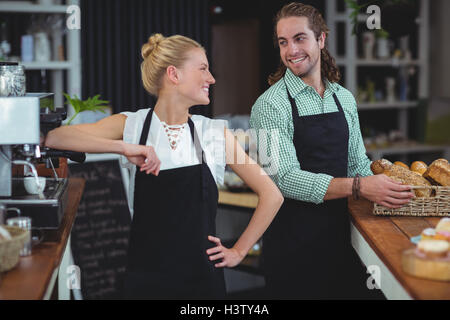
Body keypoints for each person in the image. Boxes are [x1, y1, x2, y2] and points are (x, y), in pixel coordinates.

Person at [45, 33, 283, 299]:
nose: (211, 78)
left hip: (201, 284)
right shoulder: (133, 126)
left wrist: (239, 250)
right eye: (203, 68)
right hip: (145, 281)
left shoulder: (213, 134)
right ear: (174, 74)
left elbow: (272, 194)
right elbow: (55, 137)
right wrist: (124, 147)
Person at [249, 3, 414, 299]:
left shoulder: (344, 98)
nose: (291, 50)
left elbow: (357, 162)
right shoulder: (270, 105)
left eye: (300, 38)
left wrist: (385, 190)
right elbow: (284, 179)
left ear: (321, 39)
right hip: (294, 245)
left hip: (342, 236)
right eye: (283, 42)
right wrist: (362, 186)